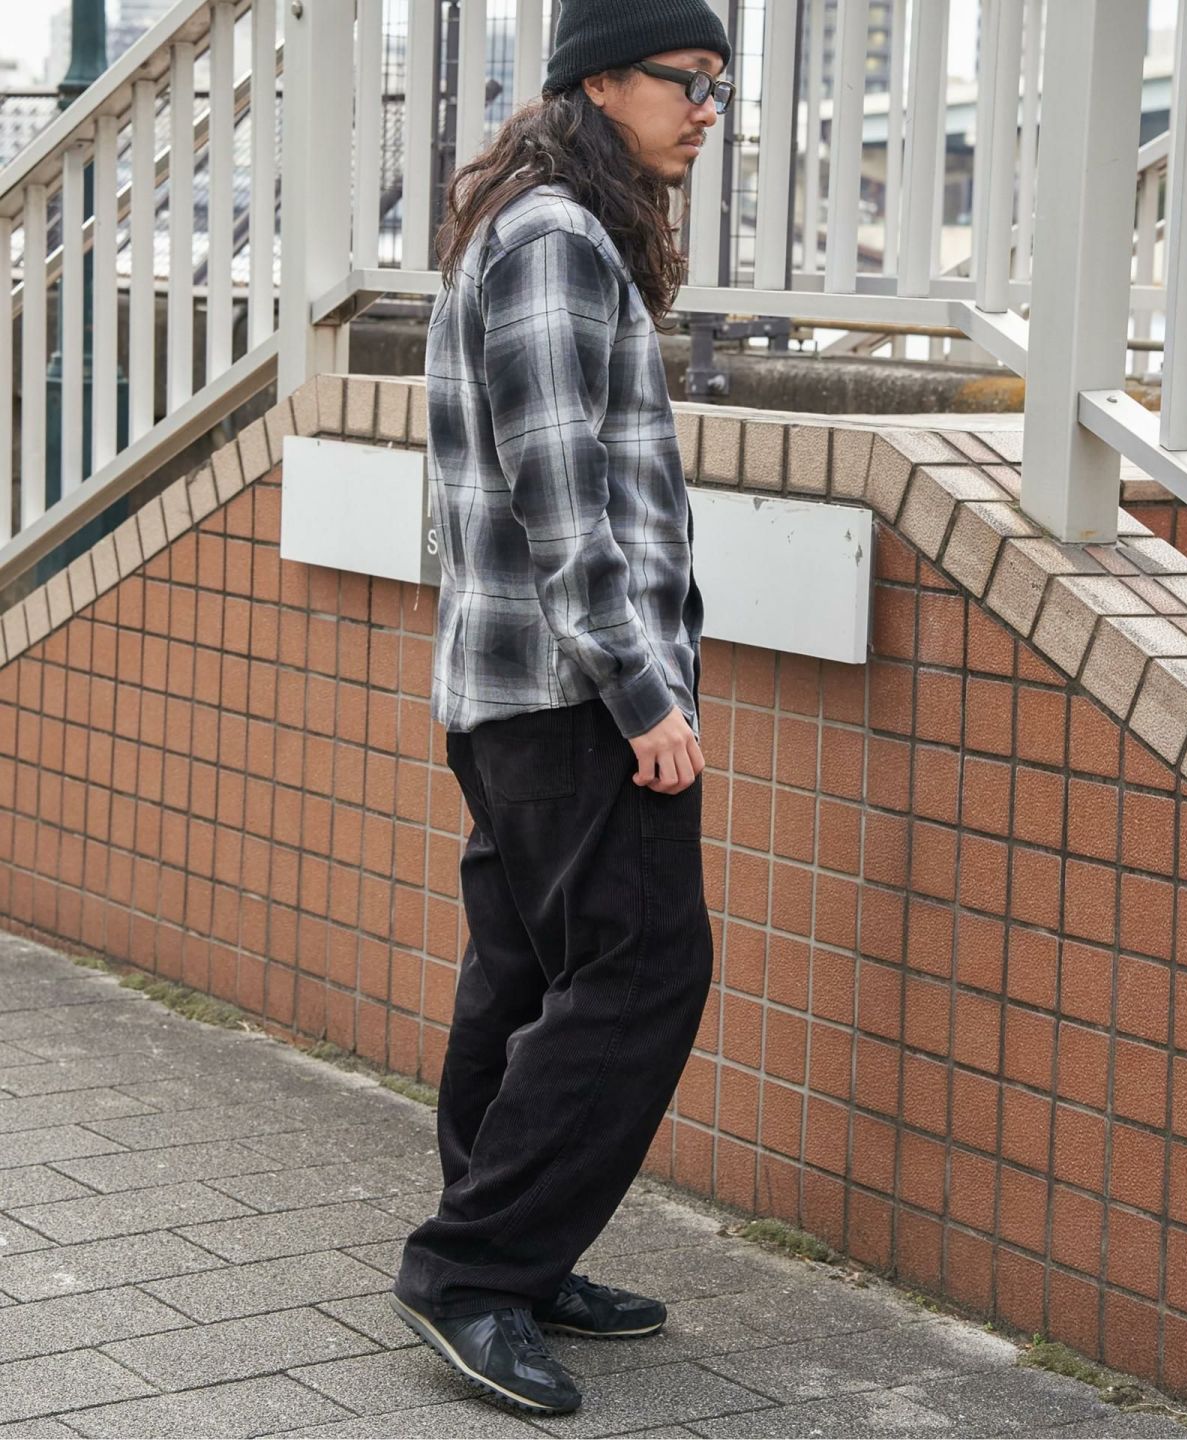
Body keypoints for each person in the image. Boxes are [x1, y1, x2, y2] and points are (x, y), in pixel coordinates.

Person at [390, 0, 734, 1416]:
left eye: (718, 85)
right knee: (645, 975)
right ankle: (474, 1268)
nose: (706, 109)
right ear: (597, 82)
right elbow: (561, 494)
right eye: (685, 79)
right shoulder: (555, 238)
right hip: (575, 694)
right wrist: (645, 693)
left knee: (526, 978)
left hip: (517, 693)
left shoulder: (533, 225)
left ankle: (511, 1259)